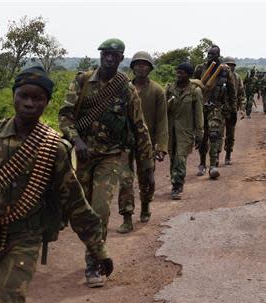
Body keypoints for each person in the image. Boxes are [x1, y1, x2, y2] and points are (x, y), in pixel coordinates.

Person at [0, 66, 113, 303]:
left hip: (26, 236)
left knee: (8, 300)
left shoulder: (53, 147)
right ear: (13, 96)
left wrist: (98, 249)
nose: (29, 103)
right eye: (24, 95)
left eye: (37, 98)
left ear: (47, 102)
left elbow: (74, 202)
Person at [58, 38, 154, 287]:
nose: (109, 58)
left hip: (111, 157)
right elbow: (65, 117)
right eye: (105, 54)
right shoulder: (82, 81)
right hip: (84, 157)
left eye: (114, 55)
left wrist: (147, 165)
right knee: (82, 212)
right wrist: (76, 140)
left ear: (121, 58)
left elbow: (139, 128)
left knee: (100, 209)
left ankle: (93, 265)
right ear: (100, 55)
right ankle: (92, 247)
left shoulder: (126, 89)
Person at [117, 51, 168, 234]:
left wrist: (161, 146)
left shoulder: (157, 91)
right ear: (132, 67)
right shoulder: (122, 89)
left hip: (147, 142)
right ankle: (127, 217)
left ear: (150, 68)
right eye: (138, 64)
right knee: (125, 180)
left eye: (145, 64)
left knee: (147, 178)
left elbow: (163, 121)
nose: (141, 67)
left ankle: (145, 205)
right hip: (124, 142)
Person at [193, 45, 237, 178]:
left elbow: (231, 91)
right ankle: (202, 164)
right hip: (201, 107)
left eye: (213, 55)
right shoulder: (200, 68)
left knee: (213, 135)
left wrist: (233, 110)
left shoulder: (224, 71)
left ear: (218, 55)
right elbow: (193, 86)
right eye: (209, 54)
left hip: (216, 107)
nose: (210, 57)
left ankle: (213, 166)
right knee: (202, 137)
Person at [166, 62, 203, 200]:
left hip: (186, 131)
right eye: (177, 72)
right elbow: (162, 110)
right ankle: (174, 181)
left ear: (188, 75)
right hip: (170, 130)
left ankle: (177, 186)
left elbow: (199, 114)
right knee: (172, 158)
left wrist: (199, 133)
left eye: (181, 73)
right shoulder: (170, 89)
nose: (178, 75)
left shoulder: (195, 91)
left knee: (180, 159)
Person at [223, 56, 245, 165]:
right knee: (217, 134)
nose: (230, 67)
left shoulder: (237, 78)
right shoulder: (219, 77)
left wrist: (242, 109)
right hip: (220, 110)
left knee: (230, 135)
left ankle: (228, 156)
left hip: (232, 110)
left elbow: (241, 94)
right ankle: (215, 157)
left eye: (232, 65)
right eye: (228, 65)